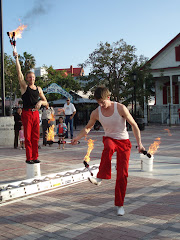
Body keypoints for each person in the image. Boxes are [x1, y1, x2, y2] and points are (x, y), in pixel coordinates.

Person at [72, 86, 145, 216]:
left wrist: (140, 144)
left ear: (108, 98)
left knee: (122, 175)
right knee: (109, 147)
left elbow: (134, 125)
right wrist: (77, 137)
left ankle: (119, 204)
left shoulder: (120, 108)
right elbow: (88, 128)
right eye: (98, 103)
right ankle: (100, 177)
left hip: (124, 142)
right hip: (110, 139)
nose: (101, 105)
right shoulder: (96, 112)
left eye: (103, 102)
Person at [13, 51, 48, 164]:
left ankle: (35, 157)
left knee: (36, 137)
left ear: (35, 78)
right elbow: (19, 74)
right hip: (27, 113)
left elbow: (46, 102)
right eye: (29, 77)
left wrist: (40, 103)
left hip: (35, 114)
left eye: (33, 77)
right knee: (27, 137)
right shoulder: (24, 87)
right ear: (27, 79)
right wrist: (17, 58)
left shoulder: (38, 89)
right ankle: (29, 158)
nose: (31, 78)